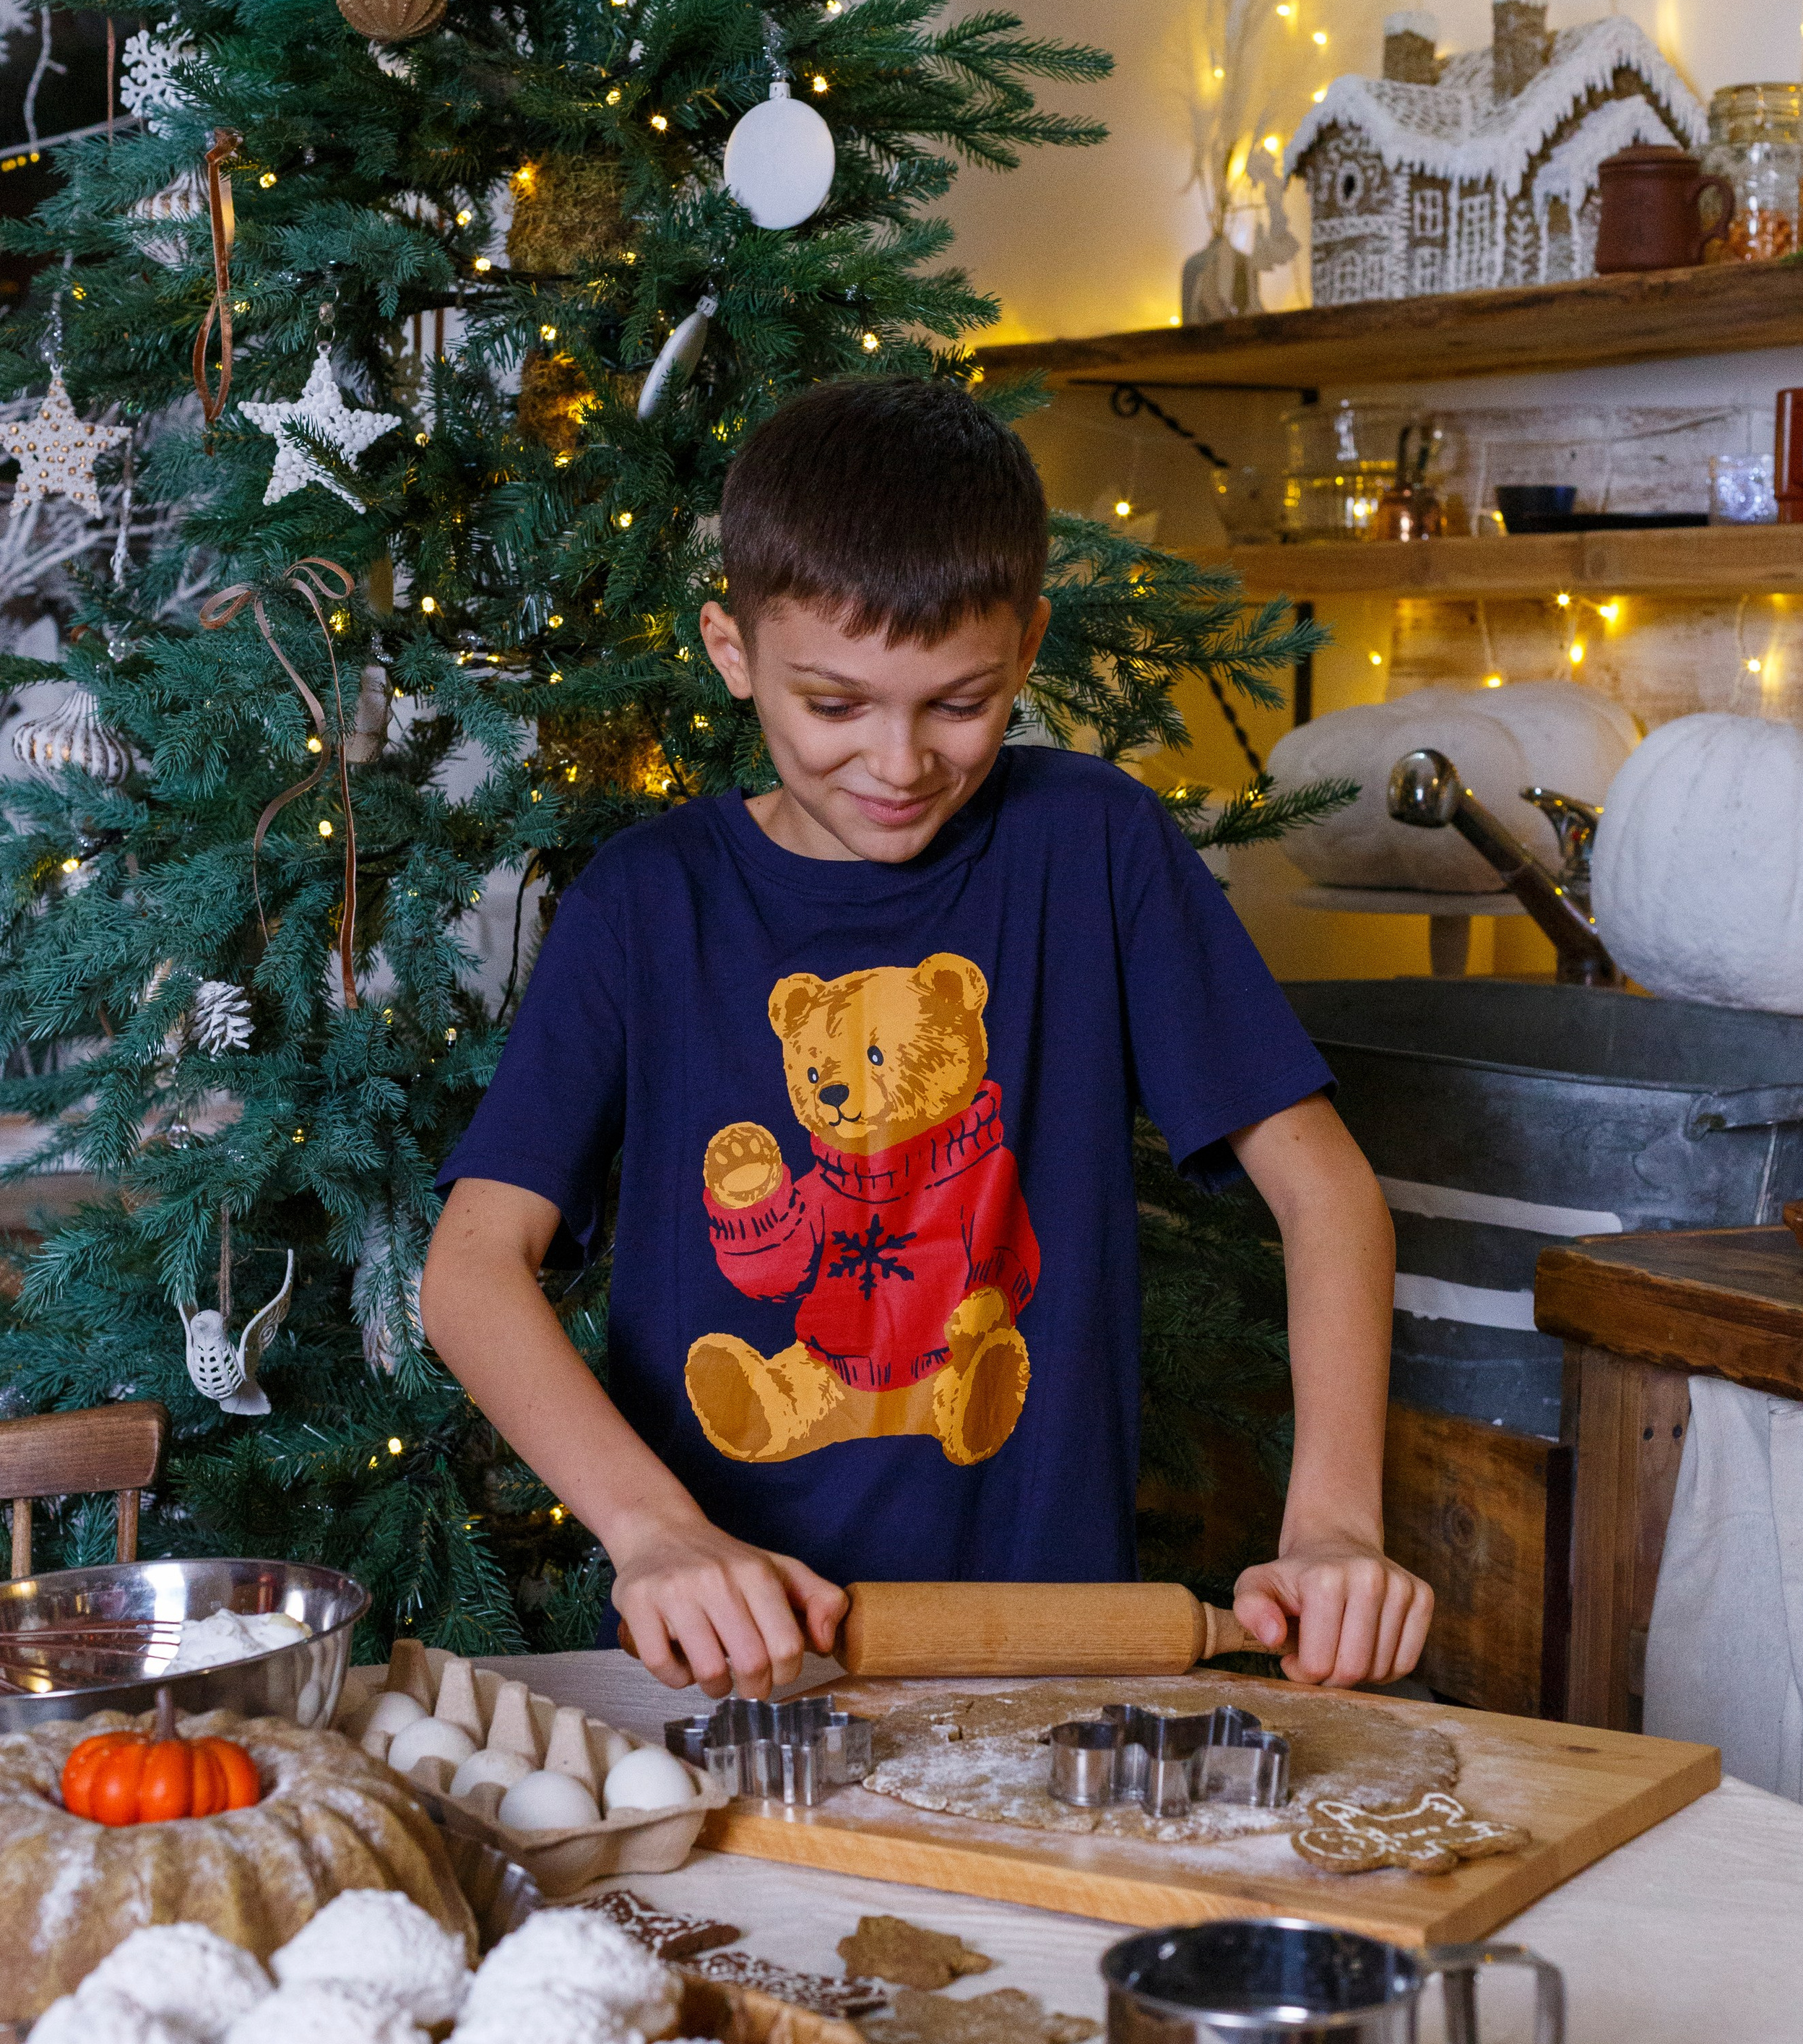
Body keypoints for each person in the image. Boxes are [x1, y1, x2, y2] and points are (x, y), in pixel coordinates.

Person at [423, 378, 1430, 1700]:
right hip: (729, 1664)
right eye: (834, 706)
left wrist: (1336, 1524)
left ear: (1027, 649)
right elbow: (472, 1268)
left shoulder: (1096, 848)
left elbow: (1328, 1192)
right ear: (732, 650)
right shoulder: (644, 902)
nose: (898, 762)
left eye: (958, 703)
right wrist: (658, 1534)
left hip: (1047, 1658)